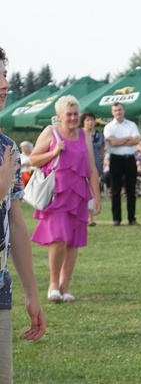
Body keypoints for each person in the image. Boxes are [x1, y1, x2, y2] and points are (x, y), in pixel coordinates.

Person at [0, 46, 46, 384]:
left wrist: (31, 295)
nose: (4, 84)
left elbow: (16, 223)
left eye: (4, 74)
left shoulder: (7, 147)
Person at [30, 95, 101, 303]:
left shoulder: (84, 136)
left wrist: (96, 197)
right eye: (68, 114)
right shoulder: (50, 132)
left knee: (73, 242)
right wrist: (54, 152)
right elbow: (33, 159)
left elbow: (92, 169)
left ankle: (65, 285)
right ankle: (53, 284)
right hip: (56, 195)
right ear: (59, 116)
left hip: (78, 195)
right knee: (59, 239)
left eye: (75, 114)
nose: (72, 118)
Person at [104, 102, 141, 226]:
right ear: (112, 112)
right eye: (115, 110)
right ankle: (117, 219)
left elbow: (137, 140)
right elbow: (113, 143)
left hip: (130, 159)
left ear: (124, 110)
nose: (118, 112)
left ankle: (132, 218)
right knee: (116, 190)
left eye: (120, 110)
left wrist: (120, 140)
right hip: (115, 159)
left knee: (131, 189)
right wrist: (127, 139)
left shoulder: (131, 125)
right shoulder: (109, 127)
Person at [81, 112, 104, 227]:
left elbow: (102, 149)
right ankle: (85, 217)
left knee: (93, 191)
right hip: (83, 167)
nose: (90, 122)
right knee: (84, 191)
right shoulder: (80, 135)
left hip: (97, 166)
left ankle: (90, 217)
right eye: (87, 120)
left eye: (91, 120)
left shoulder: (99, 135)